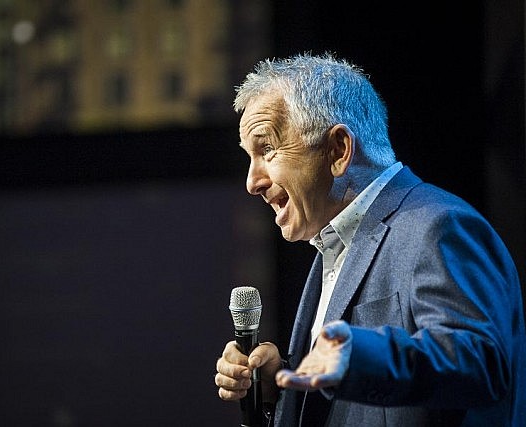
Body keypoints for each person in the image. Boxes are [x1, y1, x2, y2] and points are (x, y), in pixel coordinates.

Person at [214, 52, 526, 426]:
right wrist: (283, 387)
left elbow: (481, 363)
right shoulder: (333, 245)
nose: (252, 182)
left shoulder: (438, 225)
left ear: (338, 150)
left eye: (267, 150)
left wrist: (358, 358)